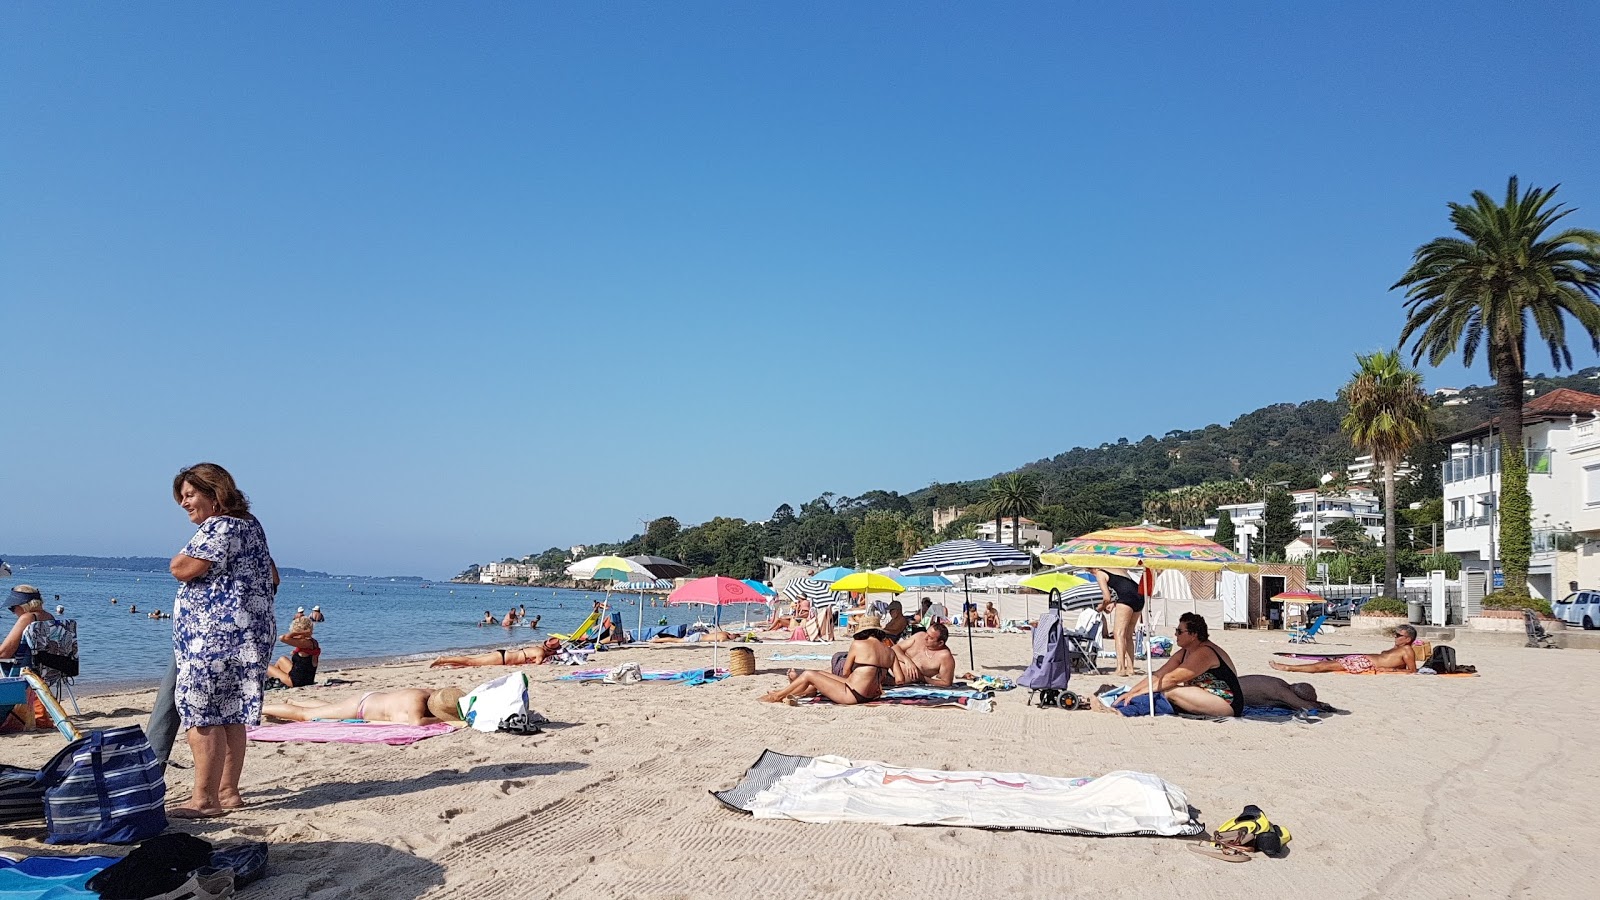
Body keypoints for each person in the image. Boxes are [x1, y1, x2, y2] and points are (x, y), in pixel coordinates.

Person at [165, 462, 279, 819]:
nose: (184, 503)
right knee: (231, 714)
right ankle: (228, 792)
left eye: (189, 495)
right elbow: (273, 576)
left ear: (215, 494)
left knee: (202, 714)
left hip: (215, 637)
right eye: (181, 497)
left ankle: (204, 799)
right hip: (249, 634)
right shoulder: (251, 525)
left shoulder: (219, 526)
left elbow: (181, 568)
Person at [1112, 613, 1243, 717]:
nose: (1175, 634)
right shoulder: (1185, 652)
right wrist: (1131, 691)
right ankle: (1126, 705)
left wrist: (1139, 693)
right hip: (1204, 696)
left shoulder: (1204, 652)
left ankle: (1129, 709)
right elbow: (1159, 675)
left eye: (1179, 631)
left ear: (1193, 635)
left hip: (1226, 703)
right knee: (1160, 688)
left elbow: (1173, 678)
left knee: (1170, 691)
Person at [761, 629, 896, 704]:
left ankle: (777, 696)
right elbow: (900, 679)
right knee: (819, 673)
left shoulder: (858, 644)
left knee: (809, 674)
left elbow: (845, 672)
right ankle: (791, 692)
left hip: (853, 695)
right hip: (872, 695)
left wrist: (859, 674)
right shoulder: (889, 651)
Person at [264, 687, 463, 726]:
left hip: (368, 700)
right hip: (361, 706)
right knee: (304, 716)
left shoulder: (427, 692)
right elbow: (416, 722)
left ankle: (291, 702)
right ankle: (262, 708)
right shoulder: (417, 702)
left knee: (331, 707)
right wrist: (445, 718)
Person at [1270, 625, 1421, 675]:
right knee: (1329, 662)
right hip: (1363, 660)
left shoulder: (1407, 650)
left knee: (1325, 666)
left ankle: (1288, 668)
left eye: (1399, 635)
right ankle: (1290, 667)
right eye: (1395, 634)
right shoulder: (1398, 648)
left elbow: (1413, 671)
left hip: (1364, 664)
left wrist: (1392, 671)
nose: (1395, 637)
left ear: (1408, 639)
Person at [1092, 567, 1146, 678]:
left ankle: (1121, 668)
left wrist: (1100, 608)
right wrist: (1115, 603)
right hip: (1139, 596)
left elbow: (1106, 597)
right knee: (1128, 635)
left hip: (1127, 598)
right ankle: (1130, 668)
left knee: (1119, 633)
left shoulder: (1100, 573)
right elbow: (1126, 587)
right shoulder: (1117, 569)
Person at [1237, 674, 1340, 715]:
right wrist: (1321, 705)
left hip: (1229, 685)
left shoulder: (1280, 682)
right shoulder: (1283, 692)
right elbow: (1306, 706)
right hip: (1227, 693)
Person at [892, 622, 956, 687]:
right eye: (926, 633)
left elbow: (946, 683)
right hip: (889, 666)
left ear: (940, 643)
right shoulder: (919, 636)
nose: (925, 638)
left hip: (897, 679)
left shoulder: (944, 656)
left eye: (930, 637)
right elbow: (895, 648)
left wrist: (923, 678)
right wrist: (907, 661)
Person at [429, 637, 563, 668]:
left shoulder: (536, 648)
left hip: (503, 654)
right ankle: (443, 659)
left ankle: (446, 663)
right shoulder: (540, 652)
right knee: (471, 662)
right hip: (502, 659)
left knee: (472, 662)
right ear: (551, 650)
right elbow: (537, 664)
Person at [268, 618, 320, 688]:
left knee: (266, 667)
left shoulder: (305, 643)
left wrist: (300, 633)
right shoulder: (313, 642)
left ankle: (271, 681)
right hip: (307, 680)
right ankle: (274, 680)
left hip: (295, 682)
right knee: (282, 659)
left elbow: (282, 638)